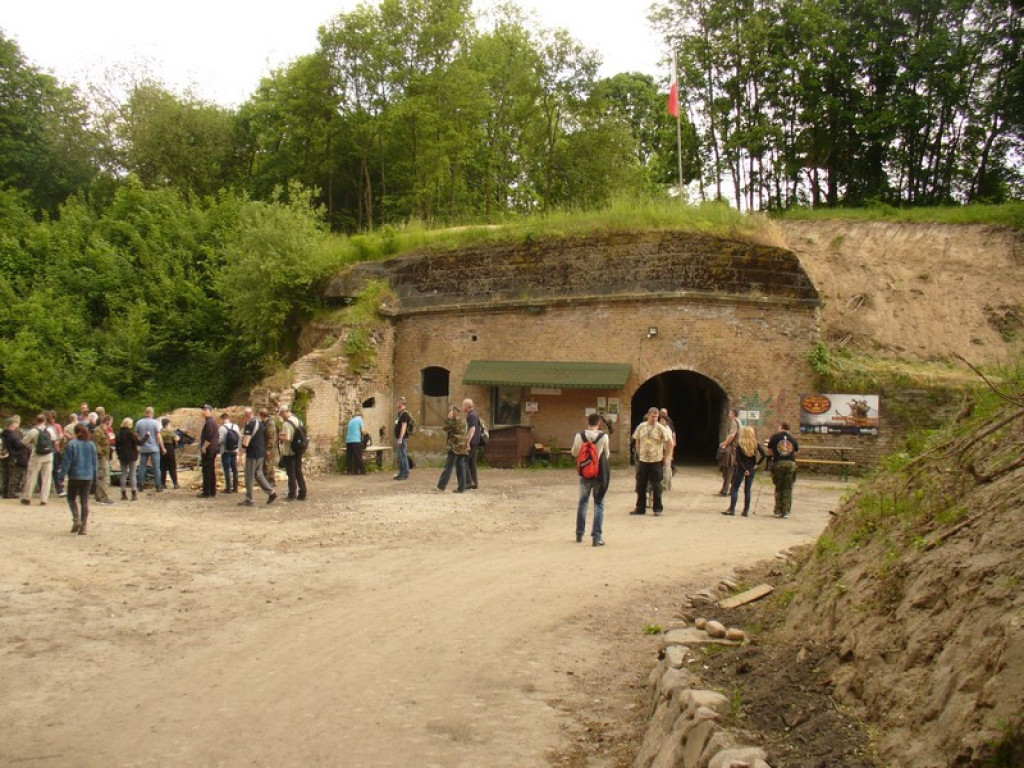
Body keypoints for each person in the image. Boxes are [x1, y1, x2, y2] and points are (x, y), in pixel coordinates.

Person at [571, 412, 610, 546]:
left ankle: (579, 533)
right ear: (599, 423)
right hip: (598, 474)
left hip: (584, 474)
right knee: (599, 504)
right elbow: (607, 454)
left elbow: (574, 452)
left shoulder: (579, 436)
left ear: (587, 422)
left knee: (583, 503)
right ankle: (596, 537)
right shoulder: (603, 436)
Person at [631, 407, 673, 516]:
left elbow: (670, 443)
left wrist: (666, 457)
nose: (655, 418)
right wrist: (639, 453)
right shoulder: (641, 426)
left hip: (656, 460)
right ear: (648, 415)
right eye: (653, 416)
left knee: (657, 485)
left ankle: (657, 508)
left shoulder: (661, 428)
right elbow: (637, 440)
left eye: (656, 416)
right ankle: (640, 508)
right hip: (643, 460)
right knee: (641, 484)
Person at [60, 423, 98, 534]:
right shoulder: (91, 444)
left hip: (75, 475)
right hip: (88, 475)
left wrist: (62, 475)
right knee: (84, 501)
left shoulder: (72, 444)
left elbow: (67, 462)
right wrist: (94, 476)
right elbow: (94, 461)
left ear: (75, 433)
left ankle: (76, 519)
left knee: (71, 498)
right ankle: (84, 526)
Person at [724, 426, 767, 517]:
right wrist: (757, 464)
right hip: (751, 469)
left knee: (735, 488)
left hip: (741, 469)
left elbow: (738, 459)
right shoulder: (756, 443)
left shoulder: (740, 444)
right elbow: (764, 455)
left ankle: (732, 509)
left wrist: (744, 469)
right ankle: (746, 511)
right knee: (747, 490)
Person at [239, 407, 276, 506]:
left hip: (253, 453)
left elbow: (246, 441)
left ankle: (249, 499)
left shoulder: (250, 424)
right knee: (258, 474)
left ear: (246, 415)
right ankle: (271, 493)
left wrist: (240, 454)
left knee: (249, 476)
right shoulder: (259, 422)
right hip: (261, 452)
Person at [20, 414, 57, 506]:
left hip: (36, 456)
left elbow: (24, 442)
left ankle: (27, 497)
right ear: (45, 421)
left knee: (32, 477)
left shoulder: (33, 431)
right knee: (46, 478)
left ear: (36, 421)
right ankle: (44, 499)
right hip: (48, 456)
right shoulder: (50, 430)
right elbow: (55, 439)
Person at [767, 421, 800, 518]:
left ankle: (778, 510)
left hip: (779, 463)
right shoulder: (793, 438)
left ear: (781, 427)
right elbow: (796, 450)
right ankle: (786, 511)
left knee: (779, 487)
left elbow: (769, 452)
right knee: (788, 488)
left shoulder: (774, 437)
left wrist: (769, 462)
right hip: (791, 463)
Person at [436, 404, 468, 493]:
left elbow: (445, 427)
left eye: (453, 411)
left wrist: (448, 418)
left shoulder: (456, 422)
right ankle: (462, 488)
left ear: (456, 412)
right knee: (461, 467)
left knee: (449, 467)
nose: (451, 412)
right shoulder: (463, 421)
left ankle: (441, 486)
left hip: (455, 447)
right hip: (462, 447)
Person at [278, 406, 307, 501]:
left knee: (291, 473)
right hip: (298, 449)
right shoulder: (298, 421)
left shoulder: (287, 424)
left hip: (290, 451)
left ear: (285, 412)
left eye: (281, 414)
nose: (281, 416)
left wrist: (279, 437)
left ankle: (292, 494)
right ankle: (303, 492)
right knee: (298, 472)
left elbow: (287, 438)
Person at [135, 407, 164, 492]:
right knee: (156, 467)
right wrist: (162, 447)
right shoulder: (156, 423)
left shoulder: (139, 422)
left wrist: (139, 444)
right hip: (154, 448)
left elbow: (137, 435)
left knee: (142, 467)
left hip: (143, 447)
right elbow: (158, 436)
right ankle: (158, 486)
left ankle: (140, 485)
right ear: (152, 413)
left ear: (145, 412)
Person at [2, 415, 29, 499]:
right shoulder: (12, 435)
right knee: (13, 476)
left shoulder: (3, 434)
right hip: (13, 457)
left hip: (4, 456)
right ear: (11, 425)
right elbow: (19, 445)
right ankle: (11, 493)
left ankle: (5, 492)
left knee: (5, 475)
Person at [718, 409, 743, 496]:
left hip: (732, 448)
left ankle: (726, 490)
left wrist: (725, 444)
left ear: (734, 414)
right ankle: (732, 489)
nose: (729, 414)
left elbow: (732, 435)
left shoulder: (734, 422)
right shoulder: (739, 422)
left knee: (728, 468)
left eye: (730, 412)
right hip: (735, 448)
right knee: (731, 469)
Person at [114, 417, 140, 501]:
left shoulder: (118, 434)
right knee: (132, 474)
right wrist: (147, 436)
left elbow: (116, 446)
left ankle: (123, 493)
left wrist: (118, 454)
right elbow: (139, 442)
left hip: (122, 456)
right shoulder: (130, 433)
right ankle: (133, 493)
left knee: (123, 473)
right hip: (132, 456)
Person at [91, 414, 115, 505]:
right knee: (104, 477)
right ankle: (104, 497)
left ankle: (99, 496)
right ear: (107, 422)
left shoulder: (104, 431)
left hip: (105, 456)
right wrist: (101, 455)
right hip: (102, 457)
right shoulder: (98, 431)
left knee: (102, 476)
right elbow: (96, 445)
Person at [198, 404, 220, 498]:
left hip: (209, 450)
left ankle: (207, 492)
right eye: (203, 410)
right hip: (212, 449)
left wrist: (204, 447)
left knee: (207, 470)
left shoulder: (209, 422)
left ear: (209, 411)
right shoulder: (211, 422)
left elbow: (209, 437)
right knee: (210, 470)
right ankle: (211, 491)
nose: (203, 412)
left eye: (205, 410)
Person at [218, 413, 240, 494]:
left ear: (222, 419)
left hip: (226, 451)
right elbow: (239, 437)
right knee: (235, 469)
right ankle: (235, 488)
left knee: (227, 469)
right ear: (228, 418)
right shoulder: (235, 426)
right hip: (234, 450)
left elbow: (220, 440)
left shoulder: (222, 428)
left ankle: (228, 488)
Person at [463, 398, 482, 490]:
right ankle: (475, 483)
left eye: (463, 405)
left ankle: (469, 481)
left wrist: (468, 443)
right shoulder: (474, 414)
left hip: (472, 442)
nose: (462, 407)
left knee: (464, 461)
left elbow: (472, 429)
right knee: (472, 463)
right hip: (476, 441)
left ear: (467, 406)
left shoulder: (471, 415)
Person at [392, 397, 413, 481]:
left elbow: (404, 426)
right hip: (399, 438)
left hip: (403, 438)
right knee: (400, 456)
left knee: (403, 456)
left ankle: (405, 474)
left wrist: (400, 438)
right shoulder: (399, 413)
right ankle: (400, 473)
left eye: (398, 402)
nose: (397, 403)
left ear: (402, 403)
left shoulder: (404, 414)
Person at [47, 411, 65, 497]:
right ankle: (59, 489)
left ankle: (58, 489)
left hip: (52, 451)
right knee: (54, 471)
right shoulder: (51, 428)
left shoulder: (56, 426)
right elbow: (58, 438)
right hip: (53, 451)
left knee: (53, 470)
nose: (53, 420)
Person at [659, 409, 677, 492]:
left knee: (666, 467)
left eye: (663, 420)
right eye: (660, 420)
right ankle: (668, 484)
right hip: (664, 449)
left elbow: (670, 440)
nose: (661, 421)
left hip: (666, 449)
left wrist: (670, 451)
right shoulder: (662, 428)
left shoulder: (667, 429)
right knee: (667, 467)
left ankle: (665, 485)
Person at [160, 417, 180, 490]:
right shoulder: (170, 432)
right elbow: (177, 438)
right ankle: (175, 483)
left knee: (163, 467)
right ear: (167, 424)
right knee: (172, 466)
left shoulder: (160, 432)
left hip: (161, 449)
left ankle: (162, 484)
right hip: (169, 448)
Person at [345, 410, 367, 475]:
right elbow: (362, 431)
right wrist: (366, 433)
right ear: (361, 416)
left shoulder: (351, 421)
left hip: (348, 440)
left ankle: (349, 471)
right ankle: (363, 471)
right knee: (358, 456)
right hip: (356, 440)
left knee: (349, 456)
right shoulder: (360, 420)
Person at [260, 409, 278, 488]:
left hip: (269, 448)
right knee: (265, 464)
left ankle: (270, 481)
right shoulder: (264, 423)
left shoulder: (270, 424)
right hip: (264, 446)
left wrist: (268, 448)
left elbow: (271, 437)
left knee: (269, 464)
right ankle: (265, 480)